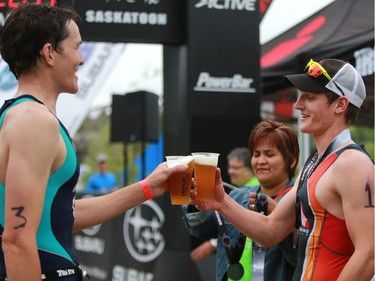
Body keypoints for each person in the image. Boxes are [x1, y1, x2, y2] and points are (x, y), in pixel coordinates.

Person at [0, 4, 188, 281]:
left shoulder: (20, 115)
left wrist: (148, 187)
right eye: (77, 48)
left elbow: (62, 215)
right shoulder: (33, 121)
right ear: (49, 53)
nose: (82, 59)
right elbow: (16, 240)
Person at [194, 59, 374, 280]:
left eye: (310, 97)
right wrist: (222, 202)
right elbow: (271, 230)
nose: (298, 105)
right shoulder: (315, 162)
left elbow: (369, 253)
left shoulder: (353, 163)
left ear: (340, 105)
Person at [184, 120, 299, 281]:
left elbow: (302, 259)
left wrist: (279, 219)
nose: (260, 161)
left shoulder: (301, 201)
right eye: (256, 154)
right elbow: (202, 230)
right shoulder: (238, 196)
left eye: (270, 154)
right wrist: (196, 205)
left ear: (291, 160)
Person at [189, 147, 260, 265]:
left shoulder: (251, 194)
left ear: (251, 169)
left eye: (236, 167)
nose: (231, 171)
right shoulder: (236, 192)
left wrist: (213, 244)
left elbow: (242, 228)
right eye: (230, 167)